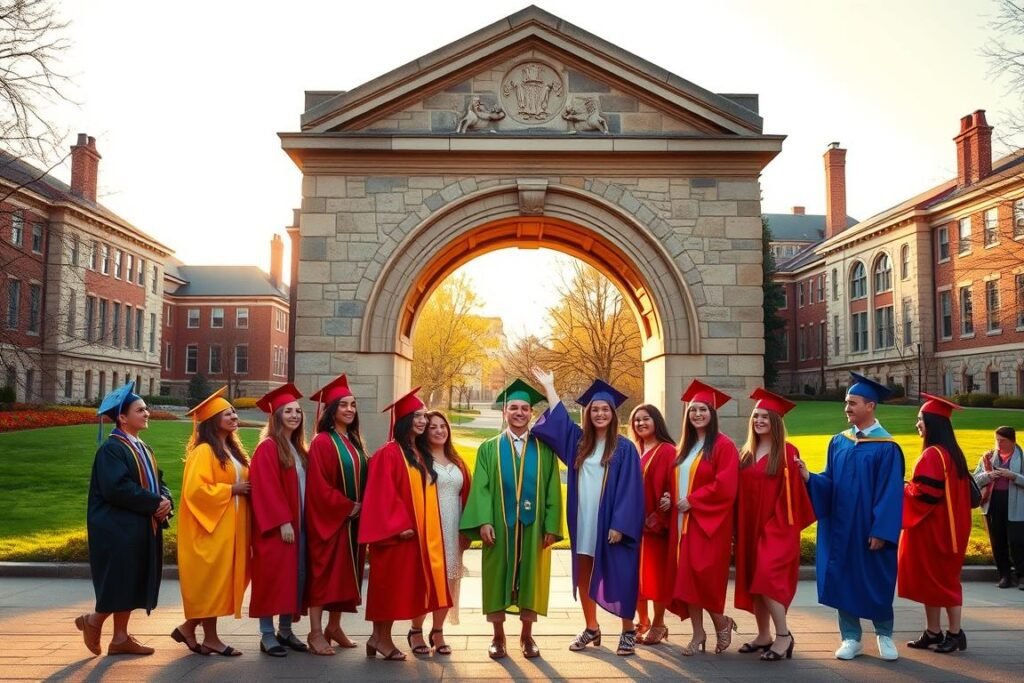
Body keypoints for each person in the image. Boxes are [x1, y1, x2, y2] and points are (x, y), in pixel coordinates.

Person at [531, 369, 644, 657]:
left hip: (611, 524)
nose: (600, 414)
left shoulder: (625, 448)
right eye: (595, 409)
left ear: (613, 413)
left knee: (621, 574)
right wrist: (550, 387)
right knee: (583, 574)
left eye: (605, 409)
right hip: (584, 521)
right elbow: (559, 422)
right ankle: (591, 626)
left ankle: (628, 630)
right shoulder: (581, 443)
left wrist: (620, 524)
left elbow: (631, 490)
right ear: (588, 413)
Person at [797, 372, 904, 662]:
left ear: (870, 406)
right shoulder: (838, 442)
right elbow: (830, 483)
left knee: (876, 580)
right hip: (841, 527)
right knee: (843, 578)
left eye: (852, 402)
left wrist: (882, 531)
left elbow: (891, 493)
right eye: (846, 402)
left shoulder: (888, 447)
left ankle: (884, 635)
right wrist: (810, 477)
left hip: (869, 530)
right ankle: (851, 637)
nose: (846, 407)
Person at [460, 379, 562, 660]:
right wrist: (483, 522)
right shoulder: (489, 449)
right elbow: (481, 488)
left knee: (531, 578)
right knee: (496, 578)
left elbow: (553, 488)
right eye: (514, 408)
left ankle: (527, 637)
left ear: (531, 413)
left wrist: (552, 525)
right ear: (504, 412)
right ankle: (498, 638)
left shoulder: (544, 450)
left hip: (533, 527)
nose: (519, 412)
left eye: (525, 408)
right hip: (499, 528)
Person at [76, 382, 172, 656]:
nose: (147, 414)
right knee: (121, 579)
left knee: (131, 579)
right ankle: (94, 622)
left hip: (137, 524)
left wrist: (165, 501)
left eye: (146, 409)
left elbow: (158, 480)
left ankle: (119, 638)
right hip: (116, 527)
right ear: (122, 417)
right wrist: (155, 503)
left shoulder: (142, 447)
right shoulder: (112, 449)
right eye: (140, 410)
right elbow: (116, 488)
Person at [358, 387, 452, 661]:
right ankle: (381, 639)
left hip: (416, 538)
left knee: (400, 587)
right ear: (403, 421)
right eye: (416, 416)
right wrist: (398, 525)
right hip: (396, 535)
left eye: (424, 416)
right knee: (387, 587)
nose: (422, 421)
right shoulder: (389, 453)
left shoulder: (417, 452)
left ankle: (379, 638)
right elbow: (381, 494)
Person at [734, 389, 815, 662]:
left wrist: (779, 528)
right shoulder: (745, 453)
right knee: (755, 581)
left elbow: (792, 498)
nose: (758, 420)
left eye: (765, 417)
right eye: (756, 416)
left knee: (767, 578)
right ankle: (763, 635)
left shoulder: (788, 453)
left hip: (778, 527)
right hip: (750, 528)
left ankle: (784, 636)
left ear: (776, 422)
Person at [174, 387, 251, 657]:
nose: (233, 416)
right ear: (212, 420)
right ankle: (211, 639)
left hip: (231, 528)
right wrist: (231, 490)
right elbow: (195, 491)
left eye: (234, 412)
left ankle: (188, 628)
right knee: (213, 584)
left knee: (220, 583)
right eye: (227, 412)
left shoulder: (231, 450)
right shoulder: (203, 452)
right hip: (210, 529)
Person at [667, 380, 740, 657]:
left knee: (704, 577)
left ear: (712, 414)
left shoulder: (723, 446)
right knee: (686, 580)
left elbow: (726, 486)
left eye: (703, 409)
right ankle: (698, 634)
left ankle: (721, 620)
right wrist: (669, 497)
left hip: (708, 525)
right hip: (682, 522)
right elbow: (678, 480)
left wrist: (694, 501)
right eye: (693, 410)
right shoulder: (685, 447)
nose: (697, 414)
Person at [899, 393, 972, 654]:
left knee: (945, 583)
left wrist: (901, 490)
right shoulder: (953, 454)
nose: (917, 424)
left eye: (920, 419)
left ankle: (955, 634)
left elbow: (924, 495)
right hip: (951, 528)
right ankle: (933, 632)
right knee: (935, 581)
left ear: (932, 423)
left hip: (937, 530)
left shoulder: (932, 455)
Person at [305, 374, 368, 655]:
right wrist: (346, 507)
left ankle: (334, 627)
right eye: (343, 405)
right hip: (330, 521)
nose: (350, 409)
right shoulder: (322, 441)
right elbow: (318, 485)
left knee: (345, 574)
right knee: (322, 575)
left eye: (353, 405)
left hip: (352, 523)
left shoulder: (352, 440)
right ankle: (315, 632)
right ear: (331, 411)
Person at [249, 383, 309, 657]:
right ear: (277, 416)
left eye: (297, 411)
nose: (295, 415)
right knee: (272, 579)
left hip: (297, 525)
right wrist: (283, 521)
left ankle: (285, 630)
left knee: (293, 578)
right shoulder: (268, 447)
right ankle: (267, 635)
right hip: (276, 527)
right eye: (288, 411)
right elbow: (266, 488)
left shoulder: (297, 448)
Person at [413, 411, 472, 655]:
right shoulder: (420, 459)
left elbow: (467, 495)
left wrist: (467, 529)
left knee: (449, 581)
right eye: (433, 427)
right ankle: (416, 630)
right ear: (424, 432)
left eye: (442, 426)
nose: (439, 430)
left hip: (453, 526)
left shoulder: (457, 460)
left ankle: (437, 631)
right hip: (430, 527)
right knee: (426, 581)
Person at [628, 403, 675, 646]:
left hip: (656, 524)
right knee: (635, 577)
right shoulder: (632, 449)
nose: (641, 423)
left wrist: (668, 501)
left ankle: (659, 623)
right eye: (636, 420)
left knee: (655, 576)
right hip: (632, 524)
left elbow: (672, 483)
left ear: (656, 421)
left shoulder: (667, 451)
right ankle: (642, 620)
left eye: (646, 419)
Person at [974, 426, 1024, 589]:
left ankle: (1021, 575)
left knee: (1017, 541)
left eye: (1003, 441)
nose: (999, 444)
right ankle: (1004, 575)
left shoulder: (1021, 457)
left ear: (1012, 441)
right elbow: (976, 478)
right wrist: (988, 476)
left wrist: (1014, 476)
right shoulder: (988, 457)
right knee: (998, 541)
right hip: (993, 502)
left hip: (1016, 504)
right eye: (997, 440)